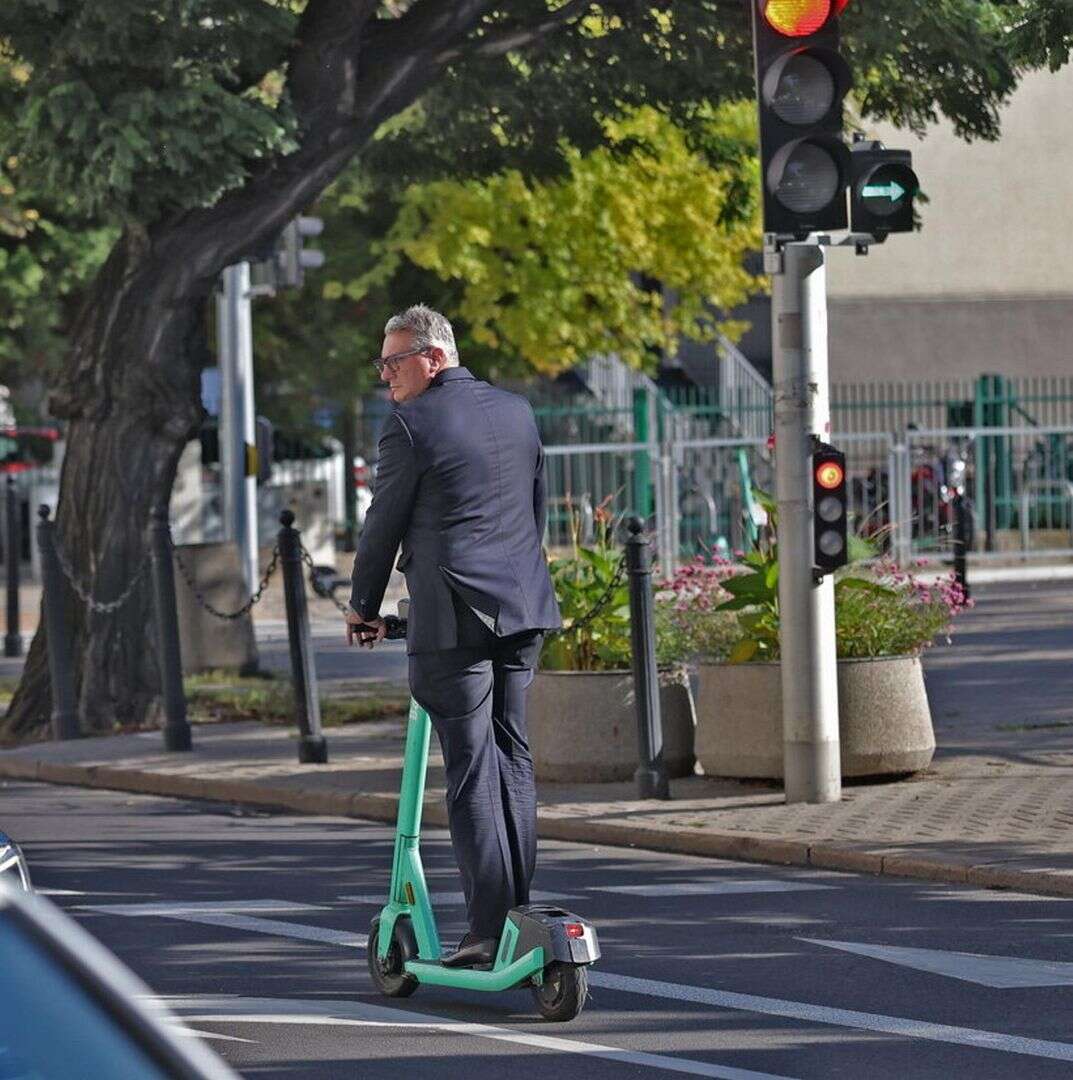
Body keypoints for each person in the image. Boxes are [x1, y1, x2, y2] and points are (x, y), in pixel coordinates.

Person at [346, 304, 561, 968]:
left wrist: (361, 606)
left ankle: (489, 930)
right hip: (521, 608)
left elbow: (383, 524)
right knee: (513, 761)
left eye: (392, 364)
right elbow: (534, 513)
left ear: (432, 357)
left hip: (456, 622)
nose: (386, 380)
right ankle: (519, 914)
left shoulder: (411, 425)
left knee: (470, 771)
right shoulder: (517, 411)